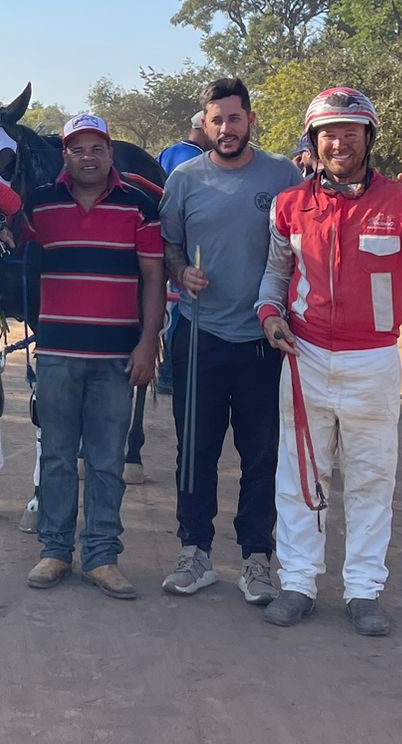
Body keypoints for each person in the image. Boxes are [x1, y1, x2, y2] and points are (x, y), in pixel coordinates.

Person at [256, 87, 402, 637]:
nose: (339, 143)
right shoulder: (289, 205)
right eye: (328, 134)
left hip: (372, 362)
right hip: (303, 357)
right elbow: (276, 276)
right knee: (300, 476)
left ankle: (364, 592)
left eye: (350, 132)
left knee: (372, 479)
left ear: (368, 138)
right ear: (313, 141)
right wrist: (269, 315)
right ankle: (298, 584)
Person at [158, 77, 303, 603]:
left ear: (250, 120)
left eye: (235, 118)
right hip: (201, 337)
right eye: (216, 120)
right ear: (204, 124)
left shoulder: (283, 175)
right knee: (195, 451)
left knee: (260, 455)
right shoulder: (184, 179)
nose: (226, 128)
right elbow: (168, 245)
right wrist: (181, 273)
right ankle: (194, 552)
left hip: (263, 339)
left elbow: (300, 247)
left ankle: (256, 559)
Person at [22, 113, 165, 600]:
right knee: (57, 457)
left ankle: (102, 557)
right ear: (64, 155)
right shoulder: (40, 204)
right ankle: (55, 551)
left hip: (115, 358)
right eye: (77, 149)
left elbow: (153, 278)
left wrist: (147, 342)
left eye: (96, 148)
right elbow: (6, 241)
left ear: (110, 152)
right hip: (57, 354)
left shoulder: (139, 205)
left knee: (106, 462)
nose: (88, 157)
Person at [154, 109, 210, 395]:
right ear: (202, 128)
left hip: (160, 234)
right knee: (181, 303)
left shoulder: (168, 152)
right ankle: (169, 370)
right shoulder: (195, 160)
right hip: (181, 239)